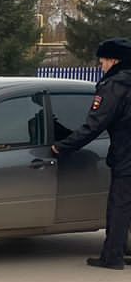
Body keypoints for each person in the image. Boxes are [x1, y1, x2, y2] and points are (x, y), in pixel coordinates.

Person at [51, 37, 131, 270]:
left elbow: (94, 125)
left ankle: (112, 257)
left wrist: (62, 146)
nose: (101, 66)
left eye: (103, 61)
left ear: (115, 60)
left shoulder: (115, 86)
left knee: (120, 206)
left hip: (127, 156)